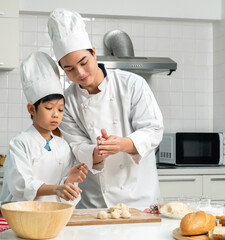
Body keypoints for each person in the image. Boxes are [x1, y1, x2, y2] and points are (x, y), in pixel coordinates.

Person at [47, 8, 164, 208]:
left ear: (93, 52)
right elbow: (76, 146)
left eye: (83, 62)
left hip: (140, 197)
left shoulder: (132, 84)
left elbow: (153, 130)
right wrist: (97, 152)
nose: (80, 73)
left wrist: (122, 144)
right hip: (96, 202)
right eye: (69, 69)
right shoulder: (66, 102)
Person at [0, 51, 88, 203]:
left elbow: (64, 195)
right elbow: (21, 185)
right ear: (32, 109)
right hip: (23, 216)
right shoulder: (20, 143)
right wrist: (57, 188)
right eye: (49, 108)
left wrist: (69, 182)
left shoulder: (63, 146)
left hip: (52, 216)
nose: (56, 115)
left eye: (60, 109)